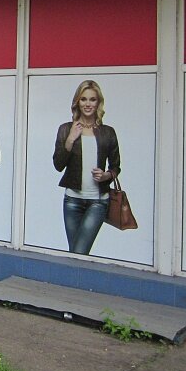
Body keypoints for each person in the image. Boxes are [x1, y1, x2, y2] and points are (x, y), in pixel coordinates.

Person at [53, 80, 120, 255]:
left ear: (98, 103)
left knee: (79, 253)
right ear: (77, 102)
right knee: (75, 254)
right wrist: (70, 139)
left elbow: (115, 166)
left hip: (98, 201)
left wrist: (106, 176)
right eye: (83, 99)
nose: (88, 104)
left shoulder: (108, 132)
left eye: (92, 99)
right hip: (72, 201)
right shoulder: (66, 129)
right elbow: (58, 165)